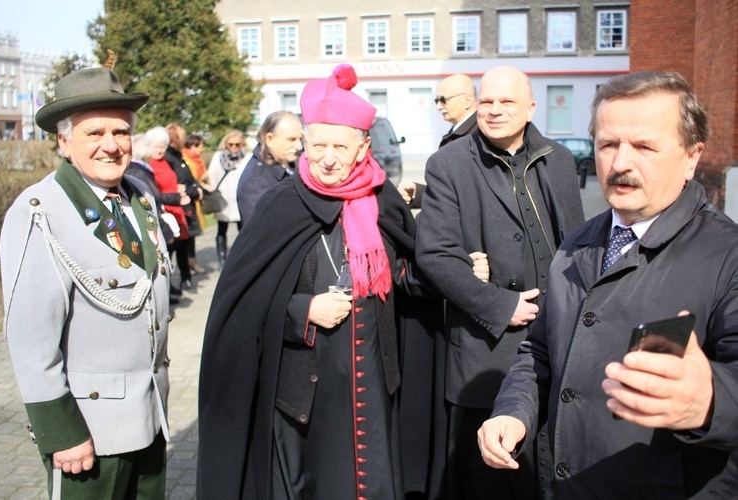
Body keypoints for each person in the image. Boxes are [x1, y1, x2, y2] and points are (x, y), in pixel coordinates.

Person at [478, 71, 738, 498]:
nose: (620, 164)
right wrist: (514, 413)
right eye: (608, 145)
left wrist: (710, 401)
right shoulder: (577, 243)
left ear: (692, 157)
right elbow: (539, 352)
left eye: (644, 147)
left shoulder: (727, 256)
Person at [198, 64, 444, 499]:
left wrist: (450, 269)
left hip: (374, 380)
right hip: (304, 393)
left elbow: (405, 274)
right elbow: (242, 305)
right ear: (304, 144)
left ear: (363, 147)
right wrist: (302, 310)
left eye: (340, 146)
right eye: (318, 145)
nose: (328, 158)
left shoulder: (383, 199)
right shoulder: (280, 205)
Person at [0, 65, 171, 497]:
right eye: (94, 133)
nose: (111, 146)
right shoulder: (40, 211)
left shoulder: (139, 198)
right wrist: (60, 431)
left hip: (149, 418)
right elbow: (30, 338)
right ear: (63, 142)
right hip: (89, 435)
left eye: (121, 131)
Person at [415, 65, 585, 499]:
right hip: (486, 350)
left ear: (530, 108)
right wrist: (497, 304)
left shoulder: (559, 159)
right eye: (486, 101)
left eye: (506, 102)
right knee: (495, 478)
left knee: (553, 468)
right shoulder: (448, 163)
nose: (493, 110)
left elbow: (579, 244)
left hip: (559, 339)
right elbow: (433, 254)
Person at [398, 73, 478, 208]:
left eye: (443, 100)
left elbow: (467, 195)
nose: (439, 106)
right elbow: (450, 190)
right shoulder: (461, 132)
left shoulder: (478, 135)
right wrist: (418, 194)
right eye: (436, 101)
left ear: (467, 101)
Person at [147, 126, 192, 300]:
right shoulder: (148, 165)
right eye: (156, 146)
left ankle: (176, 282)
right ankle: (164, 288)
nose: (159, 150)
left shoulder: (166, 162)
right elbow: (153, 194)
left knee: (178, 250)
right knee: (166, 254)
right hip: (165, 210)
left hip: (175, 210)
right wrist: (175, 197)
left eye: (162, 146)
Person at [236, 110, 302, 224]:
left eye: (300, 139)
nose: (299, 146)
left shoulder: (291, 163)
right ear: (269, 139)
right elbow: (261, 234)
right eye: (291, 139)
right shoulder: (255, 182)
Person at [164, 122, 202, 290]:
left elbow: (188, 180)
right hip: (175, 207)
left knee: (182, 245)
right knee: (173, 247)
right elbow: (178, 183)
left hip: (185, 205)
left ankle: (185, 277)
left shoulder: (177, 157)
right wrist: (193, 191)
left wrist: (195, 190)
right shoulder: (169, 158)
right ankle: (172, 282)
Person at [207, 129, 248, 269]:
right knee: (221, 229)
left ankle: (241, 257)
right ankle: (222, 258)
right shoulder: (218, 156)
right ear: (226, 143)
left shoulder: (246, 158)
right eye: (231, 144)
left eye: (237, 144)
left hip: (239, 199)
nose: (234, 147)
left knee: (242, 230)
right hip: (223, 199)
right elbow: (212, 175)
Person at [182, 133, 209, 274]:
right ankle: (189, 262)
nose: (202, 149)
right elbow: (190, 180)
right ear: (193, 146)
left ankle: (192, 261)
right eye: (200, 146)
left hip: (197, 200)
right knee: (188, 233)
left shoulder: (198, 160)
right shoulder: (185, 160)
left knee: (193, 234)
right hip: (189, 200)